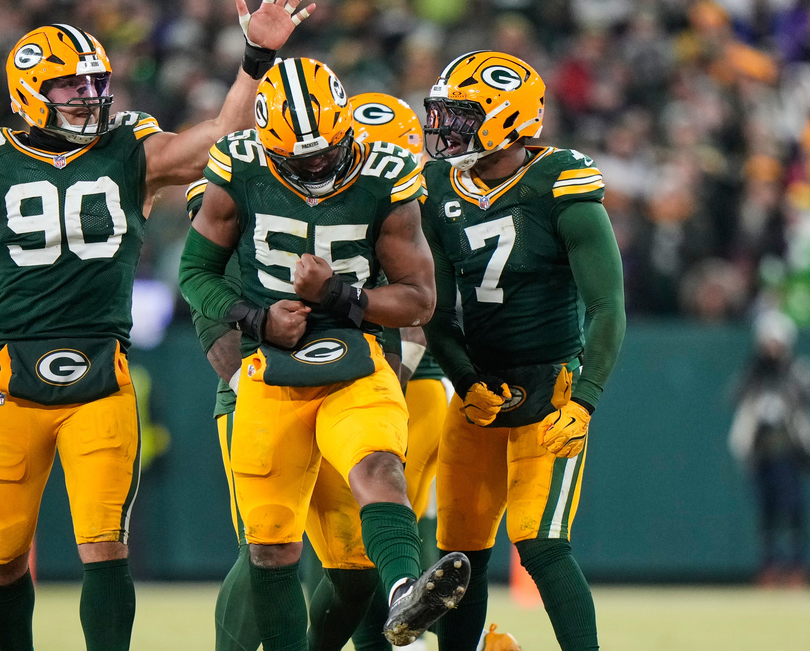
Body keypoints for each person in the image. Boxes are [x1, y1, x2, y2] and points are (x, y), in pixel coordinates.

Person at [0, 0, 315, 650]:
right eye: (69, 86)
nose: (88, 95)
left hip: (101, 375)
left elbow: (219, 139)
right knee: (3, 556)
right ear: (30, 93)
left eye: (94, 82)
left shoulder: (129, 148)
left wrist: (254, 62)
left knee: (106, 546)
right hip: (11, 379)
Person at [179, 57, 469, 651]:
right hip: (261, 370)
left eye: (328, 150)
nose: (316, 165)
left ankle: (404, 593)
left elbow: (420, 301)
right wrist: (257, 321)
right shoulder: (236, 169)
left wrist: (337, 294)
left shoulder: (386, 178)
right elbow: (197, 276)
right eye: (299, 156)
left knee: (373, 490)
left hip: (355, 361)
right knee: (267, 546)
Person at [419, 51, 626, 651]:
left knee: (540, 543)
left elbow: (607, 305)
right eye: (443, 113)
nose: (445, 127)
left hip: (550, 386)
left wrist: (584, 400)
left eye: (461, 115)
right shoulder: (435, 187)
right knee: (457, 556)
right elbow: (432, 307)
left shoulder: (560, 182)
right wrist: (463, 379)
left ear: (506, 119)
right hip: (478, 388)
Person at [728, 309, 810, 587]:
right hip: (761, 453)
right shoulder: (755, 373)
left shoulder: (795, 372)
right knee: (767, 512)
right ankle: (770, 565)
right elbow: (735, 396)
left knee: (792, 509)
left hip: (788, 453)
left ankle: (796, 565)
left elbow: (803, 398)